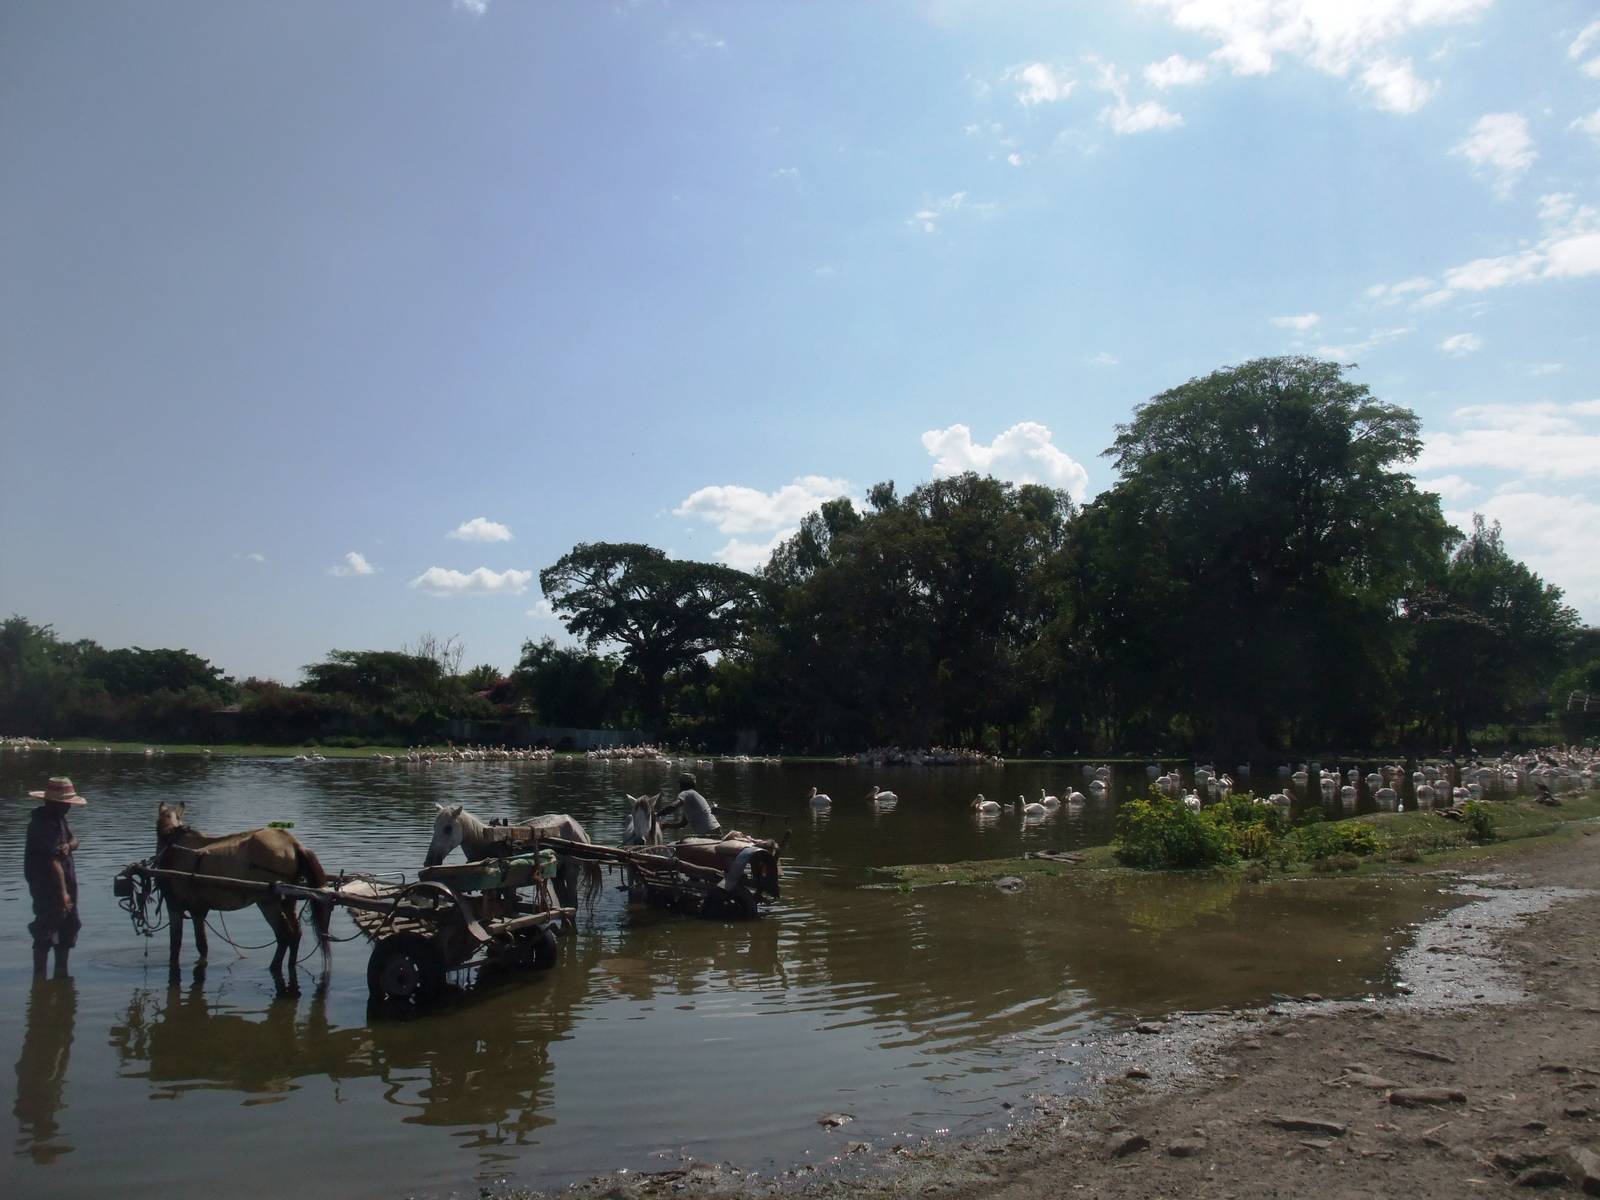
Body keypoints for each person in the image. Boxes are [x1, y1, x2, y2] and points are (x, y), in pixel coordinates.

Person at [24, 777, 84, 977]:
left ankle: (61, 972)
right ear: (54, 803)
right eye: (66, 803)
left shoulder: (58, 819)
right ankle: (39, 977)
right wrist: (63, 893)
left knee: (67, 926)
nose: (68, 806)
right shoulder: (41, 824)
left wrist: (69, 845)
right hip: (47, 886)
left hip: (65, 884)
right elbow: (53, 861)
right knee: (46, 928)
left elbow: (74, 839)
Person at [656, 772, 724, 839]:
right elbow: (682, 824)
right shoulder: (693, 798)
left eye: (680, 784)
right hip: (716, 830)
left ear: (684, 784)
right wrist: (666, 825)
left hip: (707, 833)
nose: (679, 786)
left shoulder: (686, 793)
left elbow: (673, 806)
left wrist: (658, 814)